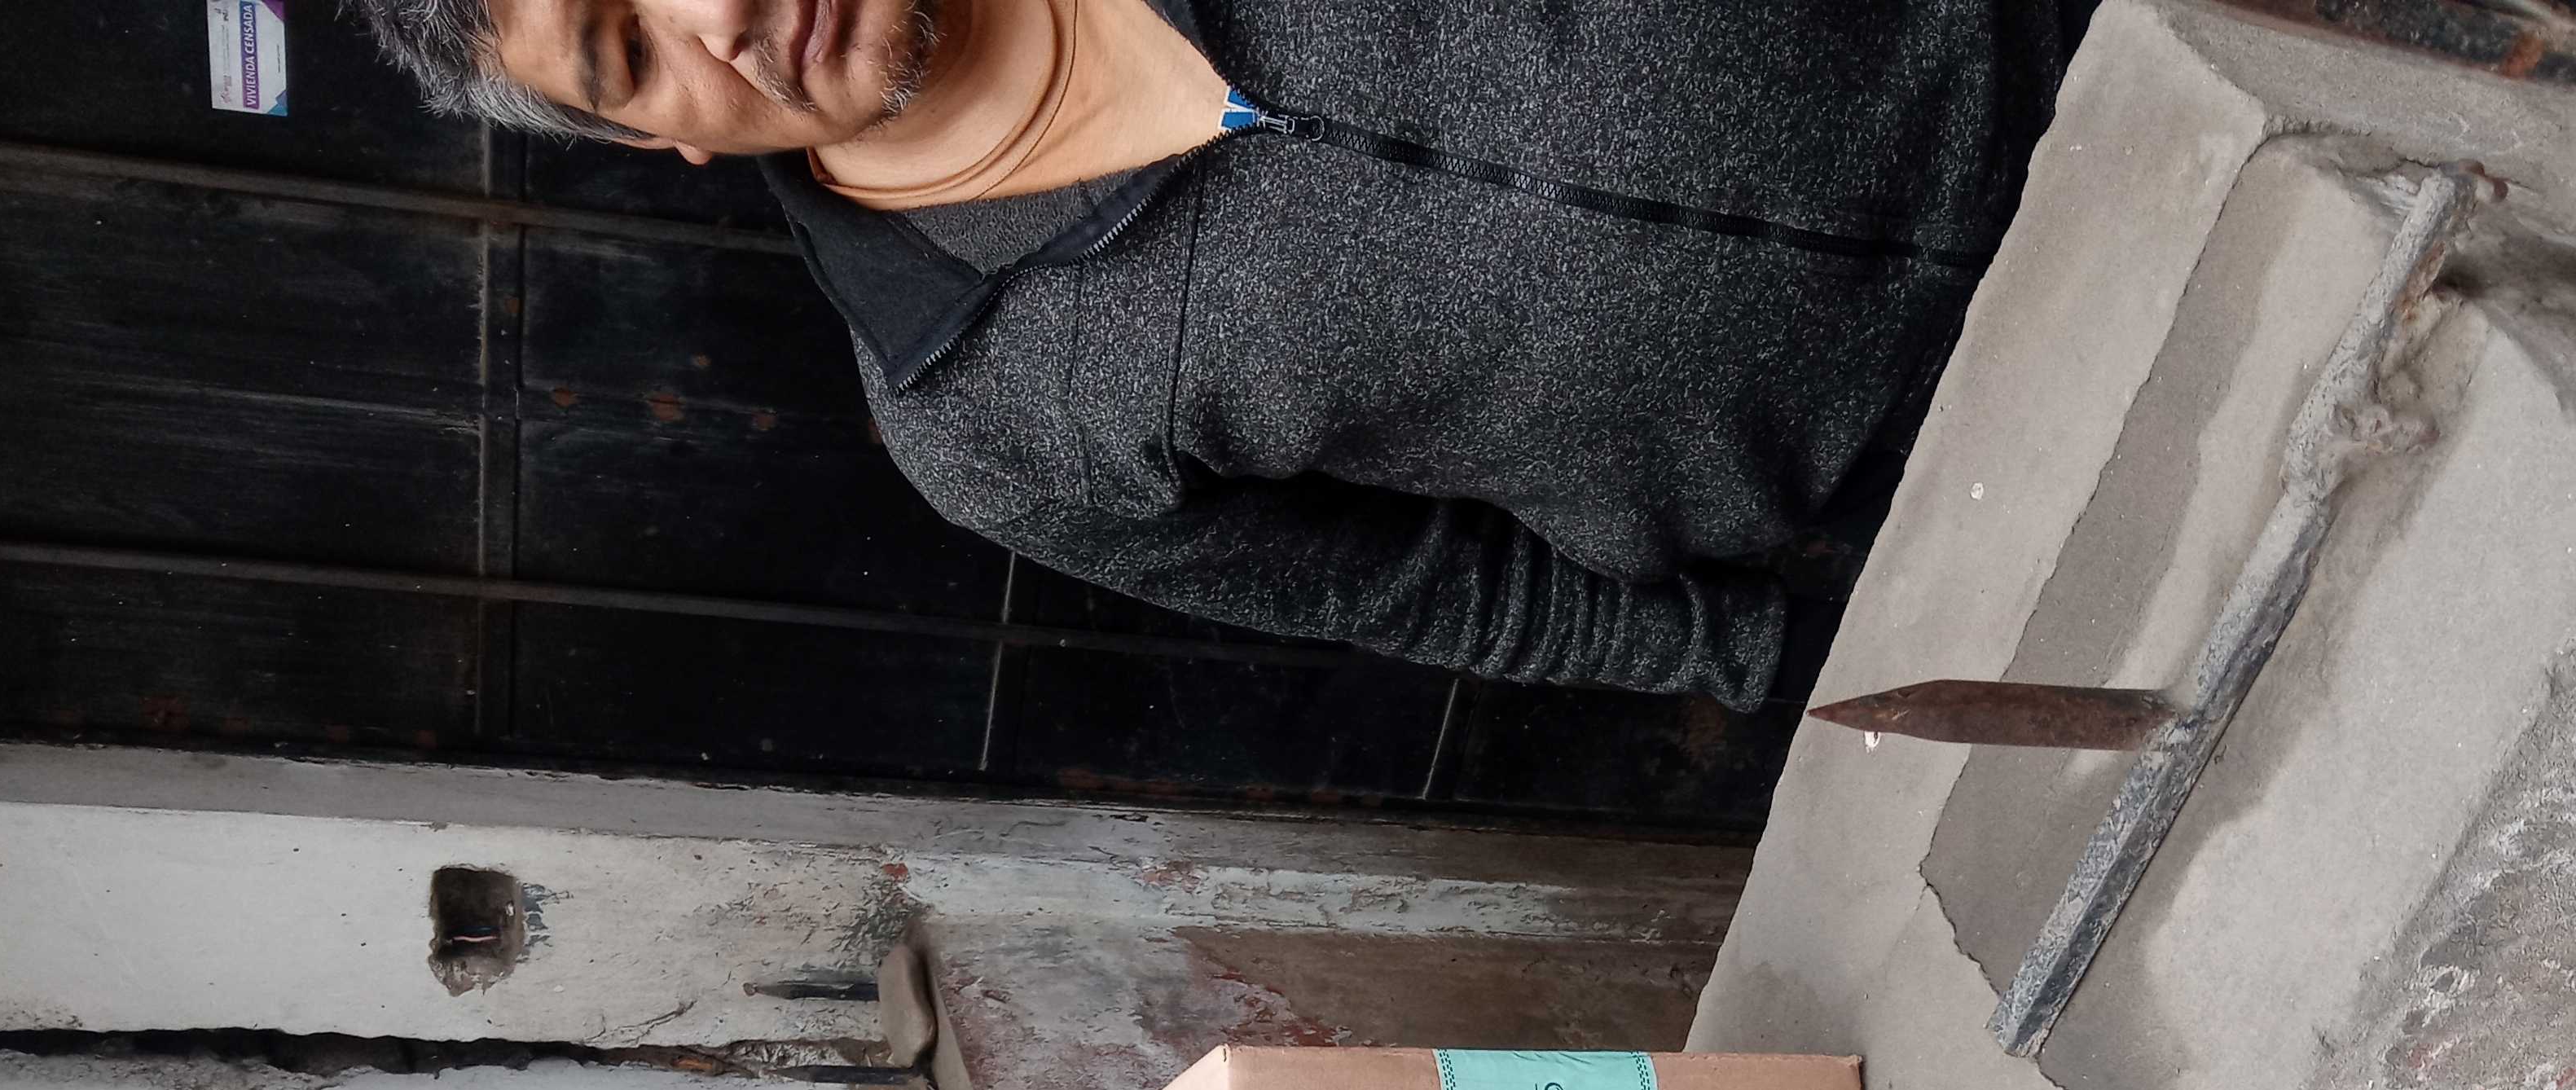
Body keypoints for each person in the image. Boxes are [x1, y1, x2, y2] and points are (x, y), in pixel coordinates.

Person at [352, 0, 2085, 708]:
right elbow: (1423, 595)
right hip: (1969, 489)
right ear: (660, 140)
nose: (718, 19)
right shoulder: (978, 413)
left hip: (2110, 57)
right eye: (627, 51)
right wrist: (1791, 660)